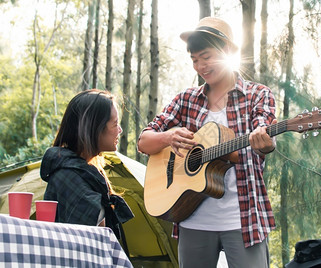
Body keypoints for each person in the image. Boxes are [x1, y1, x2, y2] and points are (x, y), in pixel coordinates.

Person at [138, 17, 277, 268]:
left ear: (226, 52)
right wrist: (168, 137)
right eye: (194, 60)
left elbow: (264, 136)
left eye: (206, 56)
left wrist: (264, 142)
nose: (200, 66)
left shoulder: (258, 95)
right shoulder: (186, 100)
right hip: (193, 219)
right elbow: (144, 141)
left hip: (243, 219)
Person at [40, 89, 134, 239]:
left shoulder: (87, 172)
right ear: (94, 128)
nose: (120, 130)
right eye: (115, 124)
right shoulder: (68, 176)